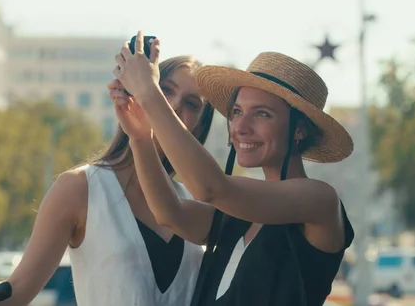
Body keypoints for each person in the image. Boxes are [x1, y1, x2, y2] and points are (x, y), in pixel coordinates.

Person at [0, 55, 215, 306]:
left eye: (192, 104)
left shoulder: (196, 204)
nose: (175, 105)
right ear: (137, 93)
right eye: (164, 90)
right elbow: (17, 290)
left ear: (200, 125)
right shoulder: (80, 187)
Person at [113, 32, 355, 306]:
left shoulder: (319, 201)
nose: (241, 127)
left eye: (262, 113)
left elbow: (210, 187)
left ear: (299, 129)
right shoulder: (238, 215)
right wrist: (140, 137)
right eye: (237, 112)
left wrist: (149, 92)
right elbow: (170, 213)